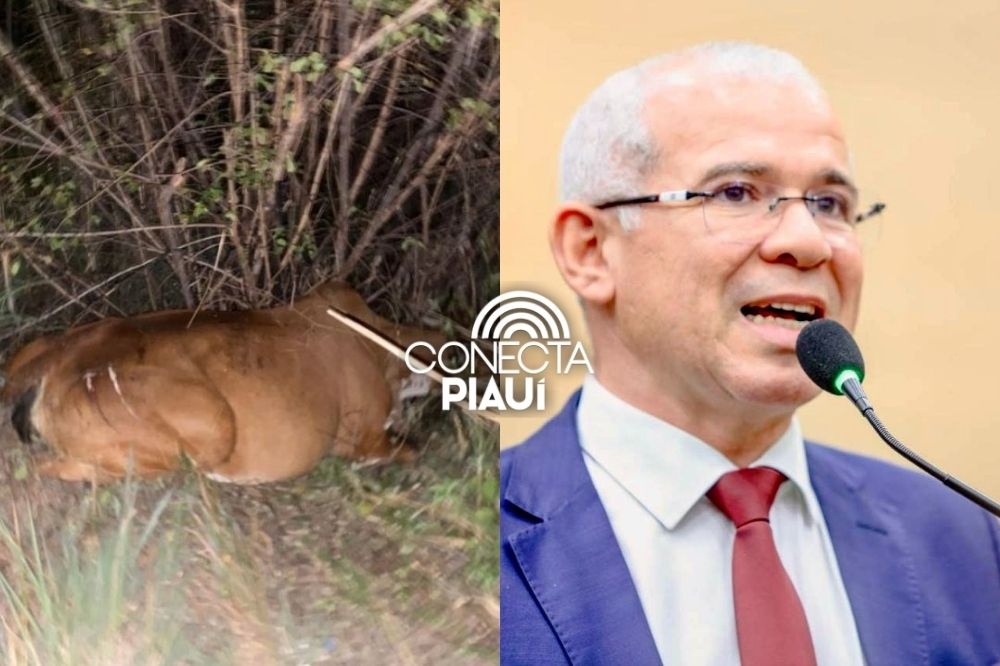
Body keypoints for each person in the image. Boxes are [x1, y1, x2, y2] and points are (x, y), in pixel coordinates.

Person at [499, 42, 1000, 666]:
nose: (806, 241)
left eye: (829, 205)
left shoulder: (964, 543)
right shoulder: (464, 549)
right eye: (735, 192)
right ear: (592, 252)